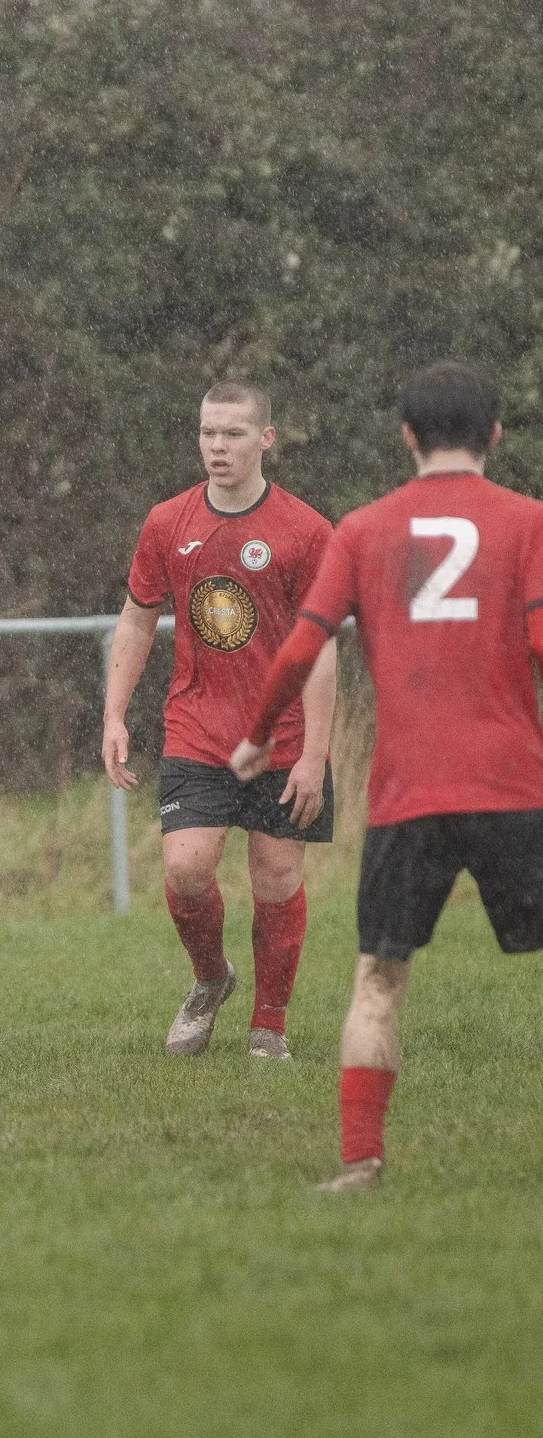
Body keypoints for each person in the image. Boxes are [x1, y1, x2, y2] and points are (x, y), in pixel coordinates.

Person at [232, 361, 543, 1191]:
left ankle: (361, 1164)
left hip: (410, 797)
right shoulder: (529, 523)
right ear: (496, 436)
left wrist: (258, 737)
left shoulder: (364, 531)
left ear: (406, 436)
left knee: (379, 980)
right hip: (517, 789)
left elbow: (302, 647)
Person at [106, 381, 338, 1060]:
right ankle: (211, 980)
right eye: (208, 432)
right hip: (198, 730)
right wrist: (114, 714)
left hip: (284, 738)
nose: (216, 446)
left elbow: (321, 649)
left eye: (232, 434)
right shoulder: (167, 523)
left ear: (267, 439)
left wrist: (314, 756)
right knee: (185, 868)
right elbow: (137, 616)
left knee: (275, 878)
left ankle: (269, 1025)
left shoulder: (306, 531)